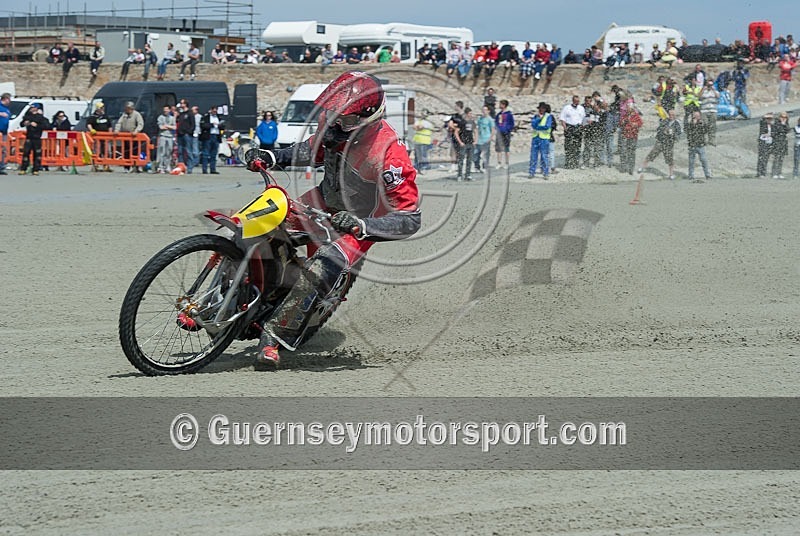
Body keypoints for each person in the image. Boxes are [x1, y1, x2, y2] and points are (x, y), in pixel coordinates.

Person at [242, 71, 421, 368]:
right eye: (333, 114)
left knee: (324, 265)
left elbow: (409, 218)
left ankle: (272, 337)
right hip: (325, 199)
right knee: (259, 220)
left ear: (368, 118)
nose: (336, 123)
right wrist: (272, 157)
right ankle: (235, 293)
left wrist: (362, 226)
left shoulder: (389, 155)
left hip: (360, 222)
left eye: (346, 119)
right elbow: (311, 151)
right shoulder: (334, 122)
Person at [639, 109, 682, 180]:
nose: (671, 116)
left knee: (670, 159)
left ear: (675, 116)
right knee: (652, 154)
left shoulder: (677, 124)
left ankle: (671, 174)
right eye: (670, 114)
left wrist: (673, 134)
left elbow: (678, 135)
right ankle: (642, 167)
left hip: (669, 144)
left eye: (673, 115)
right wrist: (664, 131)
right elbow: (659, 129)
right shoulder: (665, 121)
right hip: (661, 141)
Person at [18, 103, 50, 175]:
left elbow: (47, 126)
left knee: (37, 154)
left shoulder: (41, 117)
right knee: (26, 153)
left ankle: (36, 169)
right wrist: (24, 123)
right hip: (29, 137)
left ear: (36, 108)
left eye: (33, 107)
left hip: (37, 137)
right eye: (31, 107)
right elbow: (21, 123)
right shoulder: (28, 116)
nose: (31, 108)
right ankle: (23, 168)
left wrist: (37, 125)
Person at [114, 101, 145, 173]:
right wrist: (116, 130)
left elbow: (140, 124)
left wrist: (136, 131)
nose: (127, 110)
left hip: (134, 137)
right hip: (125, 136)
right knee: (126, 151)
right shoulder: (124, 115)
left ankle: (136, 166)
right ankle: (126, 167)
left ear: (132, 108)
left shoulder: (137, 114)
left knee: (135, 151)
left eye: (128, 108)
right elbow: (119, 123)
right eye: (126, 108)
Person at [529, 101, 554, 178]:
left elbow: (547, 126)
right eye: (540, 108)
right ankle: (531, 172)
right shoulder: (536, 116)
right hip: (536, 137)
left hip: (544, 138)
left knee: (544, 156)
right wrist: (538, 120)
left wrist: (538, 127)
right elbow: (533, 125)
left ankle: (545, 172)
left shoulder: (548, 116)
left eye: (542, 108)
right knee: (533, 156)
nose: (541, 110)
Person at [559, 95, 585, 169]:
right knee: (568, 146)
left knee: (577, 146)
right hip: (569, 127)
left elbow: (583, 119)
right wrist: (565, 128)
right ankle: (568, 163)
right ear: (573, 101)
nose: (577, 102)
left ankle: (576, 163)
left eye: (578, 101)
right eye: (575, 101)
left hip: (578, 127)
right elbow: (562, 118)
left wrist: (582, 127)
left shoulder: (581, 108)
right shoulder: (567, 108)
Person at [618, 100, 643, 175]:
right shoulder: (624, 116)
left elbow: (640, 124)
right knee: (623, 152)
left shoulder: (636, 116)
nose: (627, 109)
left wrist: (633, 124)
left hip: (633, 136)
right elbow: (620, 123)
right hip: (625, 135)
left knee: (631, 153)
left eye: (628, 108)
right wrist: (623, 121)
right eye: (626, 108)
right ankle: (623, 167)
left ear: (632, 108)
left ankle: (631, 168)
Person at [87, 101, 112, 172]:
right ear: (97, 109)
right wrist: (91, 130)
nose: (103, 109)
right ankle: (95, 165)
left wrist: (110, 134)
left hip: (106, 137)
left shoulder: (105, 116)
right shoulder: (93, 117)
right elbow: (89, 124)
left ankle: (106, 165)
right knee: (97, 151)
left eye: (103, 107)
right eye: (101, 108)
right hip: (97, 137)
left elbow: (109, 125)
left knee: (107, 151)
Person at [686, 111, 711, 181]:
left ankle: (707, 174)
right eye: (695, 116)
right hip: (692, 145)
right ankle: (691, 175)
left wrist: (703, 124)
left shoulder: (702, 123)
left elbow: (706, 130)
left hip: (700, 145)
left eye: (698, 116)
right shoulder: (690, 124)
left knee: (704, 160)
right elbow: (688, 132)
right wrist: (693, 124)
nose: (697, 117)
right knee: (691, 161)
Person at [454, 107, 475, 181]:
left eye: (471, 113)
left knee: (470, 160)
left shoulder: (472, 122)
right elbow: (456, 132)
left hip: (471, 143)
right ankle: (459, 175)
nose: (471, 115)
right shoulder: (462, 122)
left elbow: (475, 131)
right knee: (461, 160)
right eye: (470, 113)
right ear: (466, 114)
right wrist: (460, 142)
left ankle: (468, 175)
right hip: (463, 143)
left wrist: (476, 140)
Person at [199, 106, 222, 174]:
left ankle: (213, 169)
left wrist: (219, 125)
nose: (215, 112)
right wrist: (212, 125)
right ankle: (205, 169)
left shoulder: (219, 117)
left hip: (216, 136)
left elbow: (223, 126)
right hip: (208, 136)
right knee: (205, 153)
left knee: (214, 154)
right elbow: (203, 125)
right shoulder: (205, 117)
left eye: (216, 111)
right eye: (213, 111)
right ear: (211, 110)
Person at [494, 99, 514, 169]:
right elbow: (496, 122)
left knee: (506, 148)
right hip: (499, 133)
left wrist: (508, 129)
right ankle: (499, 162)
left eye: (501, 104)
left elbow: (512, 123)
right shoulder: (499, 114)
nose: (499, 105)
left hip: (506, 133)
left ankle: (507, 163)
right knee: (498, 148)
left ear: (504, 105)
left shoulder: (509, 114)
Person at [176, 100, 195, 173]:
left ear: (185, 104)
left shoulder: (190, 113)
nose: (181, 104)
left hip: (187, 134)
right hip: (180, 134)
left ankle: (190, 168)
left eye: (182, 103)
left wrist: (189, 132)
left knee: (188, 151)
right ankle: (181, 167)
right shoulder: (181, 114)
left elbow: (193, 124)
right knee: (180, 151)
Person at [473, 105, 493, 173]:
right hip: (479, 139)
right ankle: (477, 167)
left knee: (485, 154)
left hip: (486, 138)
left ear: (488, 111)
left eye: (485, 110)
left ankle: (485, 167)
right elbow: (477, 129)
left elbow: (493, 130)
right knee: (476, 153)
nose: (483, 111)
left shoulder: (490, 119)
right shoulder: (480, 119)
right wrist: (476, 138)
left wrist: (490, 138)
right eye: (483, 110)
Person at [156, 105, 176, 174]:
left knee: (169, 152)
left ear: (169, 110)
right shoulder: (160, 117)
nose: (165, 111)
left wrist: (167, 126)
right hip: (163, 136)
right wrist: (169, 127)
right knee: (162, 152)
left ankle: (167, 166)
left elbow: (174, 127)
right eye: (164, 109)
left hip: (170, 136)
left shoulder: (172, 118)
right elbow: (161, 127)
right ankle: (160, 167)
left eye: (167, 109)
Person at [771, 112, 790, 178]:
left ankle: (779, 173)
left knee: (781, 159)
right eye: (782, 117)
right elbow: (776, 131)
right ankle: (774, 173)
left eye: (785, 117)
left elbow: (788, 130)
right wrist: (782, 124)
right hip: (777, 142)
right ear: (779, 117)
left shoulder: (786, 123)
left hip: (783, 142)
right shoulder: (776, 123)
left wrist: (784, 124)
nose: (783, 118)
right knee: (776, 158)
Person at [699, 80, 719, 146]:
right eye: (708, 85)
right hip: (704, 111)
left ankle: (712, 140)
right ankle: (704, 140)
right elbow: (699, 97)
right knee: (704, 125)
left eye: (711, 85)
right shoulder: (703, 91)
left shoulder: (715, 91)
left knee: (712, 126)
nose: (709, 87)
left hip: (713, 110)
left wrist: (713, 90)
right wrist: (703, 89)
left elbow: (718, 96)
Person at [757, 113, 775, 178]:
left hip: (769, 143)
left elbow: (774, 133)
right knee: (761, 158)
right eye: (768, 119)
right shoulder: (763, 124)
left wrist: (770, 134)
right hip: (763, 142)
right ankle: (759, 173)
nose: (769, 120)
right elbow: (761, 121)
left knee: (766, 158)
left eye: (770, 119)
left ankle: (763, 172)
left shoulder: (772, 126)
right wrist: (765, 116)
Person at [0, 92, 11, 175]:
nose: (10, 101)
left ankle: (1, 166)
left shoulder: (7, 108)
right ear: (5, 99)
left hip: (4, 131)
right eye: (9, 99)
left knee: (3, 149)